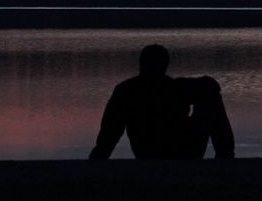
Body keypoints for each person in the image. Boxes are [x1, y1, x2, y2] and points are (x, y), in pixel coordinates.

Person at [89, 43, 235, 160]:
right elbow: (212, 86)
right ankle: (226, 157)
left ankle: (225, 157)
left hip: (147, 152)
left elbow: (110, 132)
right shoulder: (176, 87)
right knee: (212, 99)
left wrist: (98, 157)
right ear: (165, 65)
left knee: (210, 97)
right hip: (182, 151)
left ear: (141, 64)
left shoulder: (126, 89)